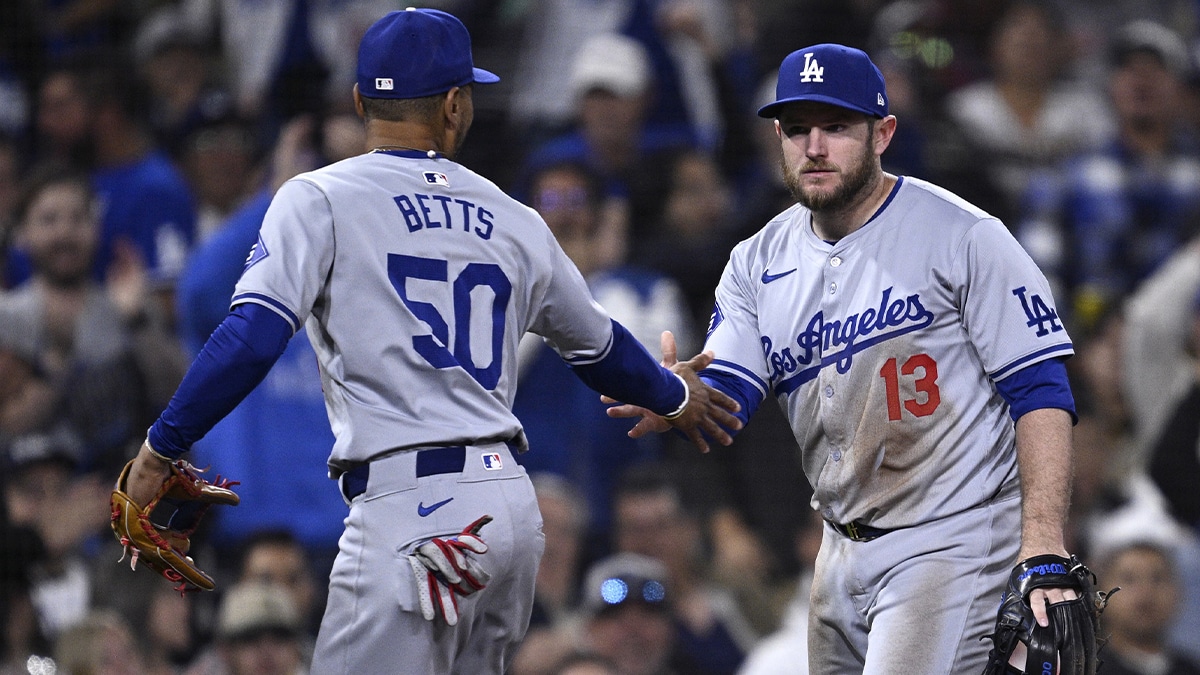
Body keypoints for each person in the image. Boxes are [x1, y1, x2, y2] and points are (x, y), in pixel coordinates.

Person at [113, 8, 739, 675]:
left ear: (359, 102)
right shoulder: (514, 216)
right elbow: (600, 347)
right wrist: (674, 395)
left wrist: (164, 443)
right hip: (509, 513)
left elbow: (251, 335)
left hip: (412, 508)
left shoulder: (320, 195)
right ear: (454, 103)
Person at [608, 43, 1081, 672]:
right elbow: (728, 393)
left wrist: (1043, 542)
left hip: (955, 535)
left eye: (837, 127)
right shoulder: (756, 262)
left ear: (882, 133)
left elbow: (1042, 390)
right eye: (798, 129)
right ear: (777, 137)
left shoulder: (965, 235)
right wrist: (680, 398)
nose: (815, 146)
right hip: (837, 548)